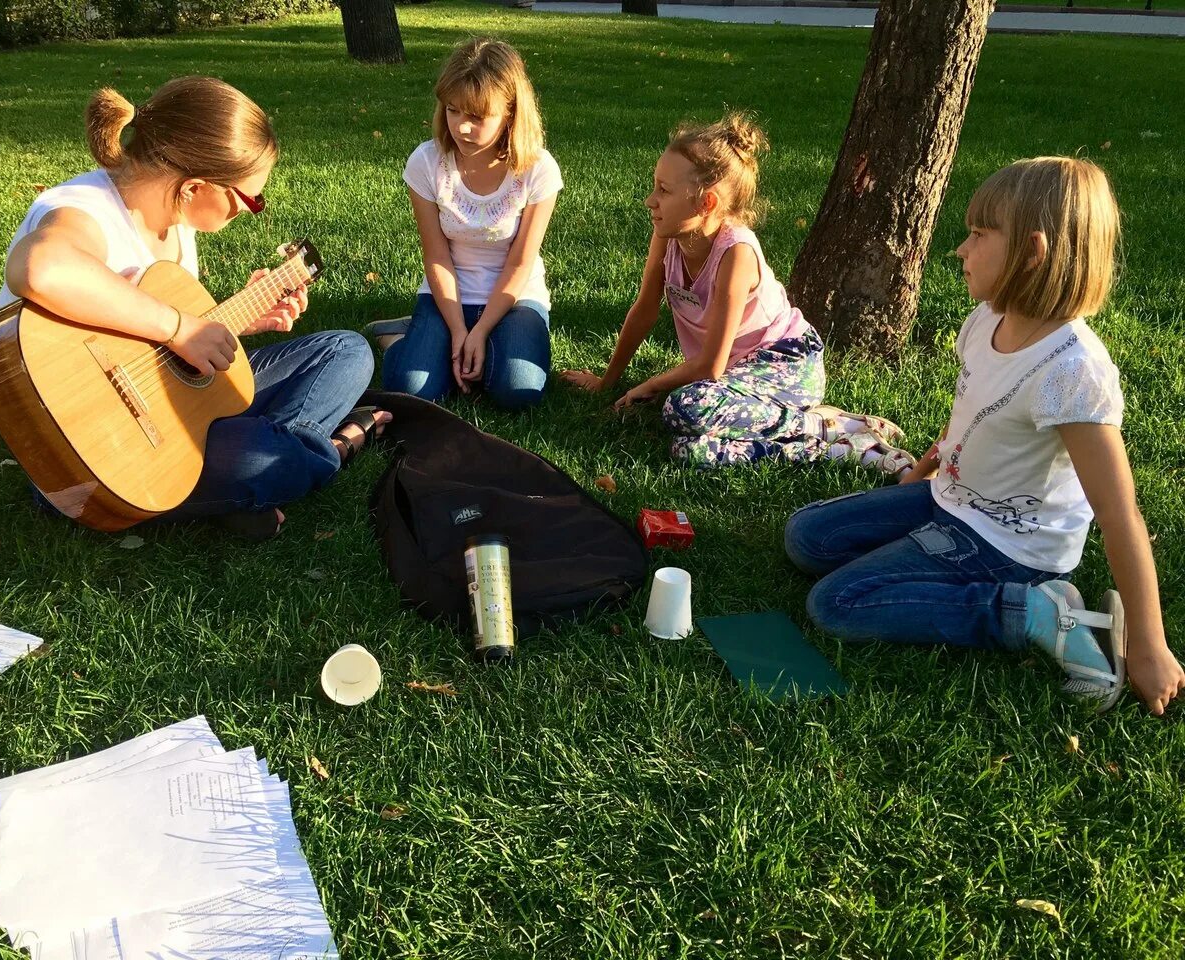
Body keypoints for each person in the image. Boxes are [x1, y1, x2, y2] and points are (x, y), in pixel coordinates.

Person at [784, 157, 1185, 716]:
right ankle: (984, 583)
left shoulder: (1072, 373)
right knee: (807, 538)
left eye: (978, 235)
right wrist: (925, 472)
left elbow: (1120, 516)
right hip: (949, 501)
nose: (961, 249)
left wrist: (1149, 645)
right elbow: (971, 415)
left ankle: (1034, 613)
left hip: (1010, 547)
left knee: (837, 602)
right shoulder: (985, 319)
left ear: (1032, 252)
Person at [0, 76, 387, 541]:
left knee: (347, 351)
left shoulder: (175, 220)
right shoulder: (84, 210)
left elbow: (151, 349)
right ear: (193, 187)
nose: (249, 210)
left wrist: (233, 320)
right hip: (90, 456)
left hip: (161, 411)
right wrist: (180, 326)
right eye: (250, 198)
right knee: (267, 457)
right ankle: (325, 452)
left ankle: (252, 472)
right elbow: (41, 268)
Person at [561, 114, 909, 473]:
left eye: (664, 191)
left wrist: (648, 386)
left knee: (685, 407)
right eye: (655, 187)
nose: (651, 200)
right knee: (690, 449)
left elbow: (710, 367)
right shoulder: (666, 236)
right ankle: (843, 450)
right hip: (732, 372)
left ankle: (825, 425)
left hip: (786, 364)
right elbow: (645, 309)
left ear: (706, 204)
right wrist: (607, 381)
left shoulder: (736, 252)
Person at [369, 38, 561, 408]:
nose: (462, 128)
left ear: (510, 112)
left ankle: (487, 342)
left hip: (516, 295)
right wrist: (459, 329)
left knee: (518, 390)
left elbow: (521, 263)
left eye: (477, 117)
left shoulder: (538, 169)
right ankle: (399, 337)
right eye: (454, 111)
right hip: (447, 293)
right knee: (412, 391)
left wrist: (482, 329)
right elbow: (437, 256)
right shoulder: (426, 162)